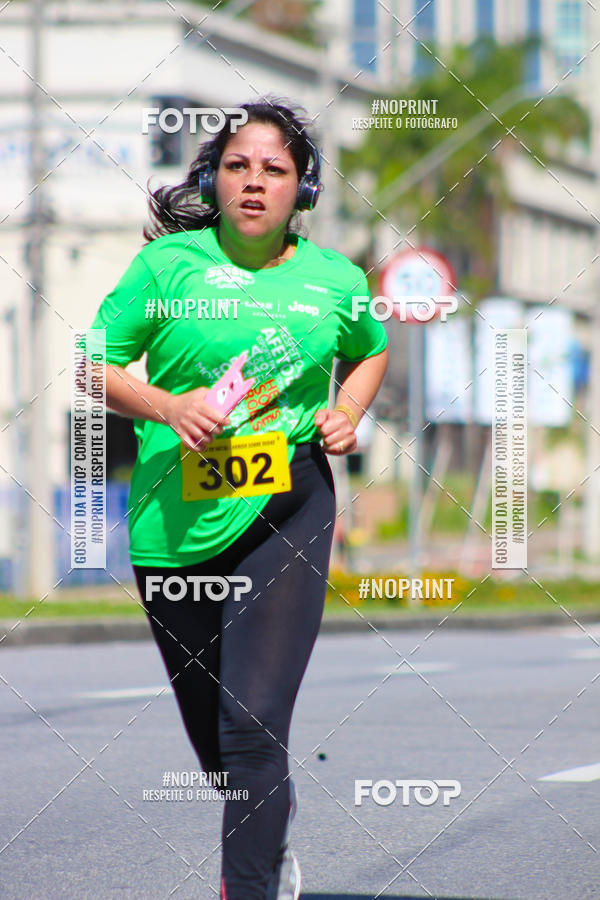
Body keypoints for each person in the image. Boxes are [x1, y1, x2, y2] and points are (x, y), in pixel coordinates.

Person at [90, 96, 388, 899]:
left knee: (252, 723)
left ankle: (248, 884)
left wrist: (348, 412)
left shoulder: (335, 280)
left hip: (287, 506)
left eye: (275, 170)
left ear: (304, 189)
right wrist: (168, 405)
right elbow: (93, 362)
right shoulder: (168, 268)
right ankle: (268, 829)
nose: (255, 182)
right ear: (213, 180)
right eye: (237, 165)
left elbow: (371, 348)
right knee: (219, 742)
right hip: (173, 520)